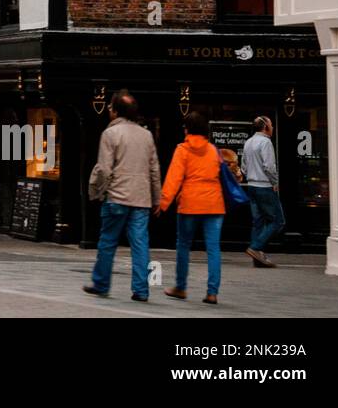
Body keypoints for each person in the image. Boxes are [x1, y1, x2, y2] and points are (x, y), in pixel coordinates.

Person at [83, 92, 159, 301]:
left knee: (108, 241)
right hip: (141, 198)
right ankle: (141, 290)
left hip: (116, 196)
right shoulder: (147, 135)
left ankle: (101, 283)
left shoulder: (110, 134)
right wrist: (157, 198)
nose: (108, 110)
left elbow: (104, 169)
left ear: (116, 111)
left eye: (110, 107)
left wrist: (98, 191)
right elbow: (154, 170)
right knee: (140, 243)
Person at [158, 110, 226, 305]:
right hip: (214, 204)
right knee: (213, 248)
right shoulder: (213, 150)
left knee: (184, 246)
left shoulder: (183, 150)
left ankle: (180, 287)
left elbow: (173, 179)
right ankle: (212, 292)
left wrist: (163, 203)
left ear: (187, 129)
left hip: (190, 204)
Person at [242, 115, 284, 268]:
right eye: (271, 125)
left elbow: (244, 167)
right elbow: (269, 166)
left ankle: (257, 258)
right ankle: (255, 247)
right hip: (264, 187)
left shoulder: (248, 143)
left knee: (258, 222)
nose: (272, 128)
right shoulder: (265, 142)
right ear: (265, 127)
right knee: (277, 221)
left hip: (251, 186)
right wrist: (274, 182)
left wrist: (251, 177)